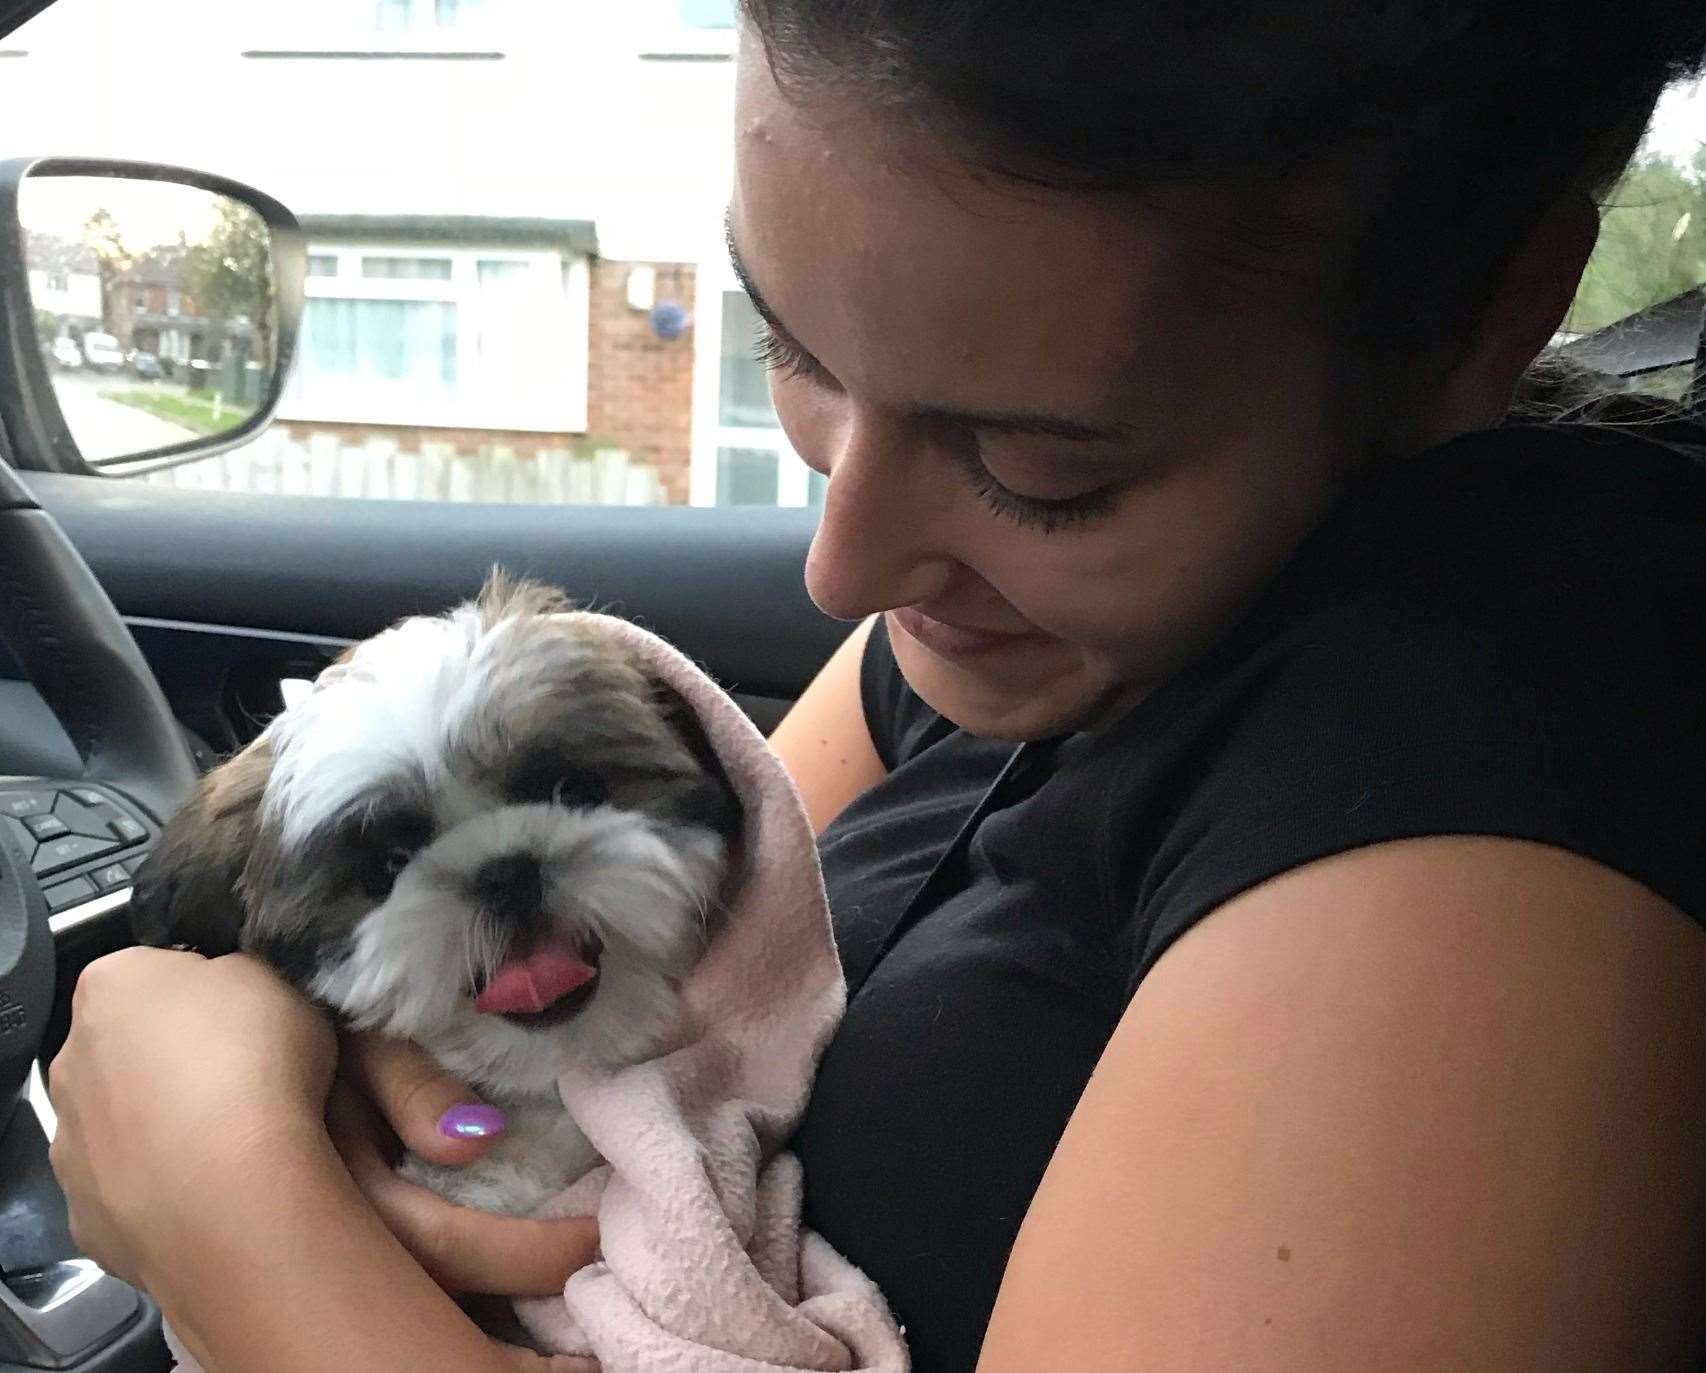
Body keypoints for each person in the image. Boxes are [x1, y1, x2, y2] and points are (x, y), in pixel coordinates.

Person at [46, 3, 1706, 1369]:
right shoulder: (1016, 639)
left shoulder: (1516, 754)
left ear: (1482, 317)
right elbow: (696, 1005)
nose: (842, 563)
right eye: (799, 351)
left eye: (1040, 464)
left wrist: (232, 1209)